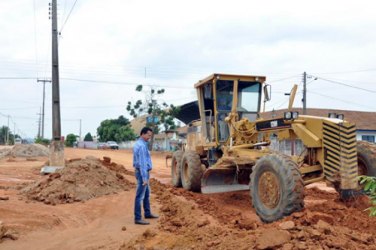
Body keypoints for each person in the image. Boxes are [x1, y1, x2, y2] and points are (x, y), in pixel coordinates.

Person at [133, 127, 159, 225]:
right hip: (142, 173)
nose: (149, 137)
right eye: (148, 135)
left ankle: (147, 213)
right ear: (142, 134)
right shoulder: (142, 146)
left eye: (150, 136)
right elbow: (142, 163)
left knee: (147, 194)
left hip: (140, 172)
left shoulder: (139, 144)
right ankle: (138, 218)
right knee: (140, 196)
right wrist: (144, 178)